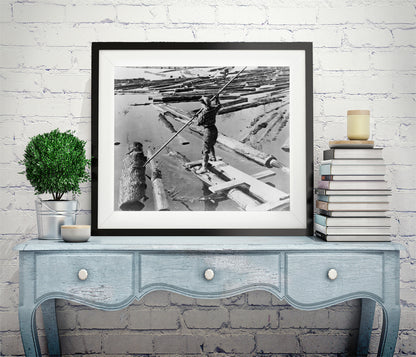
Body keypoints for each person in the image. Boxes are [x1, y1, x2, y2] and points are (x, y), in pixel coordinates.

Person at [196, 96, 221, 174]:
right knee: (211, 144)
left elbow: (199, 123)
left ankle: (204, 168)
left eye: (201, 104)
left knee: (205, 150)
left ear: (204, 104)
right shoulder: (213, 109)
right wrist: (217, 98)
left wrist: (198, 115)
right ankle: (213, 157)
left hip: (208, 131)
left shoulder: (204, 113)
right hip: (214, 129)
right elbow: (219, 105)